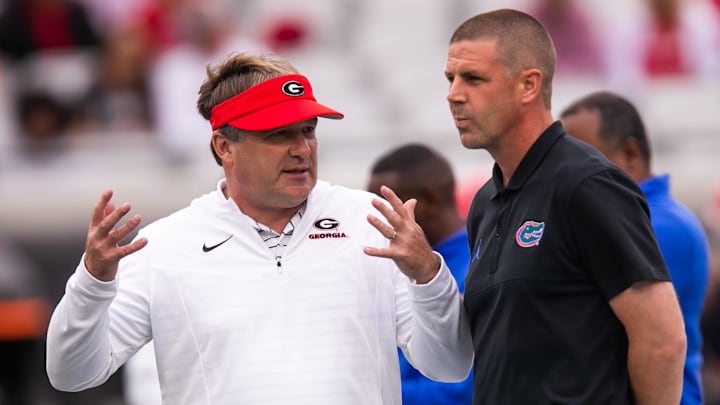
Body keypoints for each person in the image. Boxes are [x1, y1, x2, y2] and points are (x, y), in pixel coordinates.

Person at [45, 52, 473, 404]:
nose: (301, 148)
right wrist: (92, 282)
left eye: (308, 130)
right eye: (278, 134)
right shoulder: (163, 246)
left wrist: (428, 276)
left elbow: (451, 366)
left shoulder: (372, 221)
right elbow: (72, 374)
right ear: (224, 146)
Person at [444, 8, 686, 404]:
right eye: (450, 78)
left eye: (473, 78)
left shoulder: (587, 185)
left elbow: (663, 341)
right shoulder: (485, 202)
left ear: (528, 85)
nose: (453, 93)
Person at [560, 90, 711, 405]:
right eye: (562, 161)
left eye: (584, 158)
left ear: (630, 153)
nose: (567, 173)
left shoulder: (663, 226)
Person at [367, 143, 472, 405]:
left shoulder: (477, 268)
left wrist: (356, 390)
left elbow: (462, 391)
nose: (373, 219)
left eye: (387, 207)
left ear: (431, 201)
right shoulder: (393, 267)